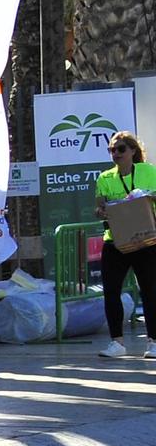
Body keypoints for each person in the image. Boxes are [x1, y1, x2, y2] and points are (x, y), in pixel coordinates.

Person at [92, 130, 156, 358]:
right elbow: (99, 208)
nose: (115, 154)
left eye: (120, 149)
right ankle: (116, 343)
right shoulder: (105, 178)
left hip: (146, 240)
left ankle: (153, 342)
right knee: (110, 291)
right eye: (112, 150)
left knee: (150, 291)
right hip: (116, 242)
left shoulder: (148, 171)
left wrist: (149, 195)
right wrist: (101, 211)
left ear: (132, 151)